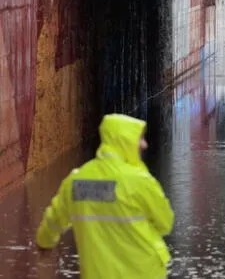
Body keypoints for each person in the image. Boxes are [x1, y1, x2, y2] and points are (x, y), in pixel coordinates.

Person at [35, 113, 175, 279]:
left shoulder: (77, 181)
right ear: (125, 141)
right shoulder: (140, 181)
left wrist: (45, 242)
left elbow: (54, 219)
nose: (144, 144)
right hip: (144, 272)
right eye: (139, 138)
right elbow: (165, 223)